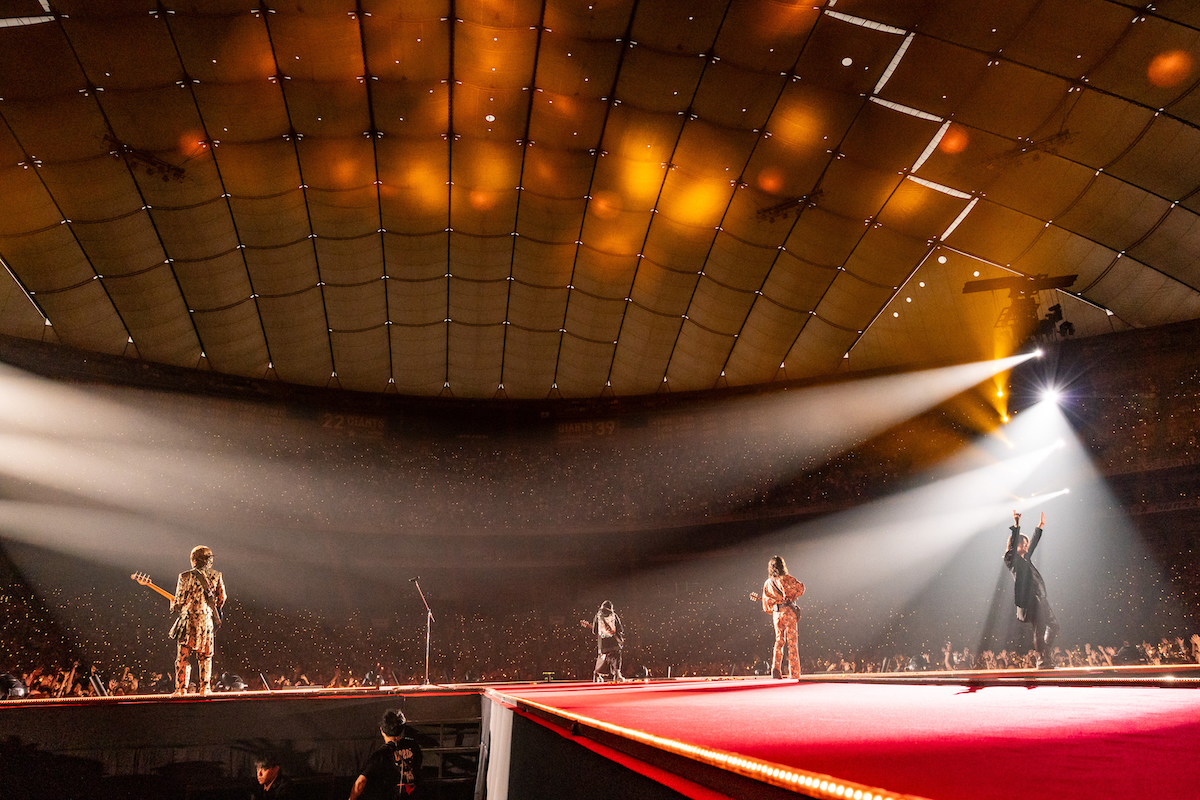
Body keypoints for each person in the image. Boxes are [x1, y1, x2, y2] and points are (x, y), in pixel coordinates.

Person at [1003, 511, 1060, 669]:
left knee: (1054, 625)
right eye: (1023, 543)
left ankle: (1045, 651)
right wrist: (1016, 525)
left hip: (1040, 598)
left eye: (1026, 544)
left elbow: (1033, 544)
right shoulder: (1011, 559)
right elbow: (1014, 546)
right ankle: (1042, 660)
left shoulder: (1026, 559)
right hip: (1030, 601)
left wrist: (1040, 526)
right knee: (1039, 628)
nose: (1027, 546)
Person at [169, 545, 227, 695]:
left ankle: (181, 689)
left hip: (187, 622)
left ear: (194, 560)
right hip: (206, 622)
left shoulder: (185, 576)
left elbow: (179, 601)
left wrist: (173, 606)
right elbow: (222, 598)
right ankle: (205, 688)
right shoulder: (216, 575)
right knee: (205, 657)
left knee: (183, 657)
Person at [348, 709, 422, 799]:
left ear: (382, 730)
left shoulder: (381, 755)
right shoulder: (414, 746)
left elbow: (361, 782)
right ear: (402, 729)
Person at [752, 555, 805, 679]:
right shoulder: (788, 579)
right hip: (789, 613)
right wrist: (792, 596)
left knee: (779, 641)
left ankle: (775, 669)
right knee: (792, 642)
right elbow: (801, 588)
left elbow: (766, 604)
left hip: (777, 614)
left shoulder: (768, 583)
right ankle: (794, 672)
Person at [580, 601, 624, 682]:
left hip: (602, 643)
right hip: (613, 641)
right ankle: (617, 674)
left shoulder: (598, 616)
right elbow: (620, 629)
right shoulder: (614, 615)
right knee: (616, 656)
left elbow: (595, 631)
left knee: (602, 658)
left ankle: (597, 675)